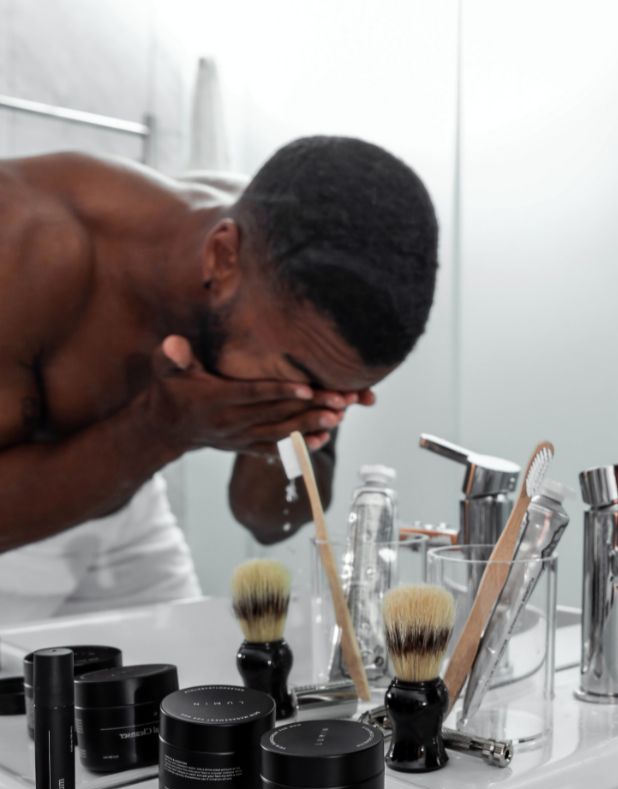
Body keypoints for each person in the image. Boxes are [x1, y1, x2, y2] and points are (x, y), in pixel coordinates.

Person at [0, 135, 439, 623]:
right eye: (306, 381)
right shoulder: (24, 242)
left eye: (338, 394)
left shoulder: (308, 286)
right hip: (15, 534)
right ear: (221, 257)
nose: (313, 401)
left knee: (188, 686)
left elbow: (271, 519)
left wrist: (285, 428)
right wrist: (161, 430)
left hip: (125, 504)